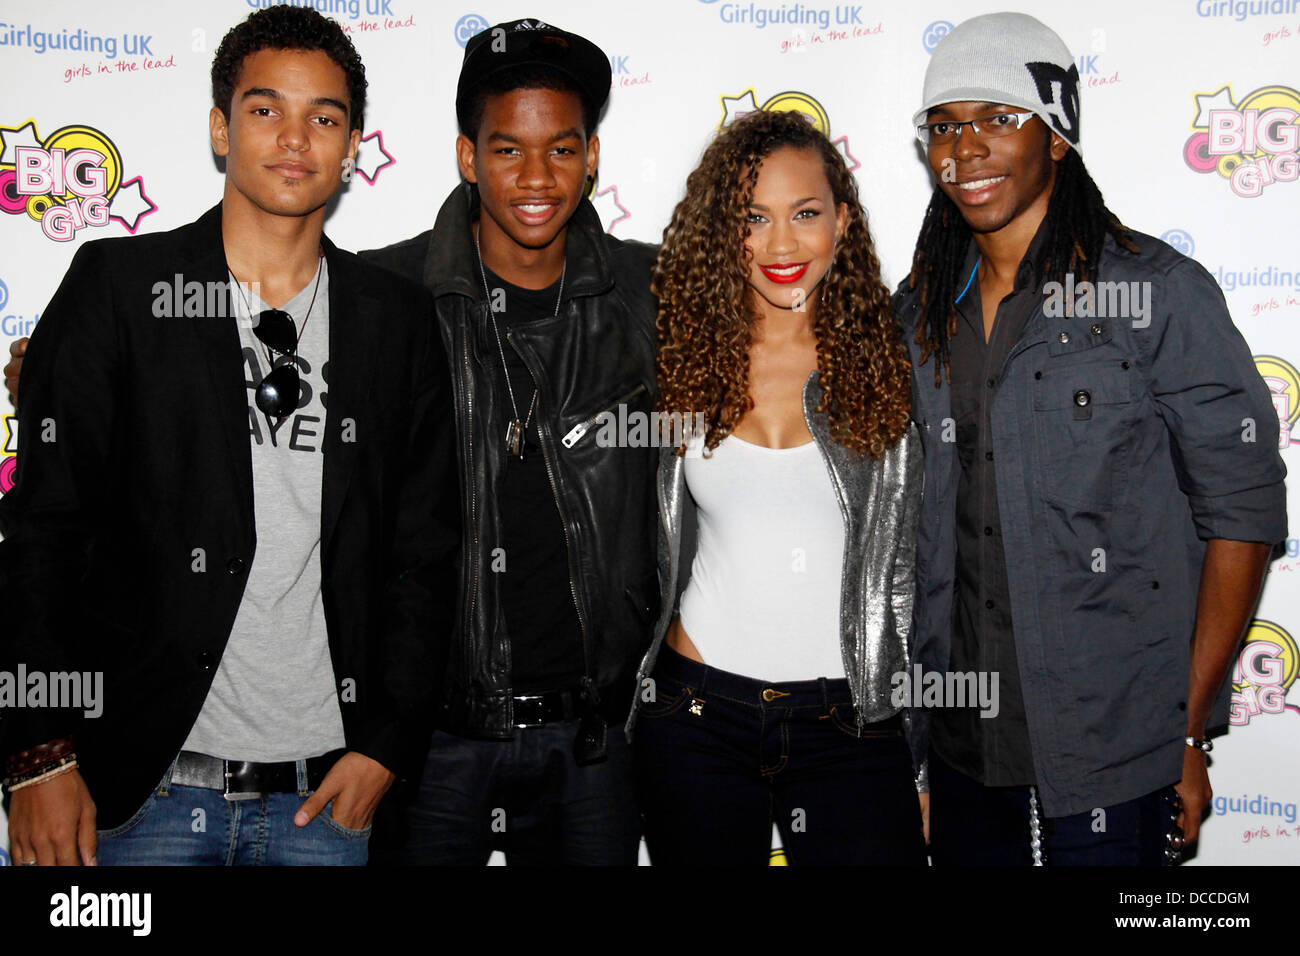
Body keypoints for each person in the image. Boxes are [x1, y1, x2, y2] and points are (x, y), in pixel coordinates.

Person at [0, 6, 459, 866]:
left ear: (353, 142)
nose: (295, 138)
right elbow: (44, 532)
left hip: (323, 805)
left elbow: (423, 553)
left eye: (323, 117)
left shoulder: (393, 320)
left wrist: (385, 746)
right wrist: (36, 756)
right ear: (220, 127)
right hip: (140, 793)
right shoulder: (120, 287)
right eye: (264, 109)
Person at [897, 12, 1286, 865]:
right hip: (961, 744)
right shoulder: (918, 311)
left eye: (1000, 118)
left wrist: (1186, 732)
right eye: (945, 125)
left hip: (1116, 748)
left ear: (1059, 135)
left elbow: (1244, 515)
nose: (966, 148)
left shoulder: (1156, 293)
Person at [360, 20, 659, 865]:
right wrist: (64, 370)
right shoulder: (385, 293)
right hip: (432, 740)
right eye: (508, 150)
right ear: (466, 156)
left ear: (592, 157)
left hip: (599, 736)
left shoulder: (652, 294)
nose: (537, 178)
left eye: (561, 150)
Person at [629, 109, 925, 865]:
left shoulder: (896, 361)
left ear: (844, 223)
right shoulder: (678, 356)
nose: (782, 245)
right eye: (753, 218)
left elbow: (912, 573)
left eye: (805, 214)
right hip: (695, 711)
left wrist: (920, 752)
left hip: (850, 720)